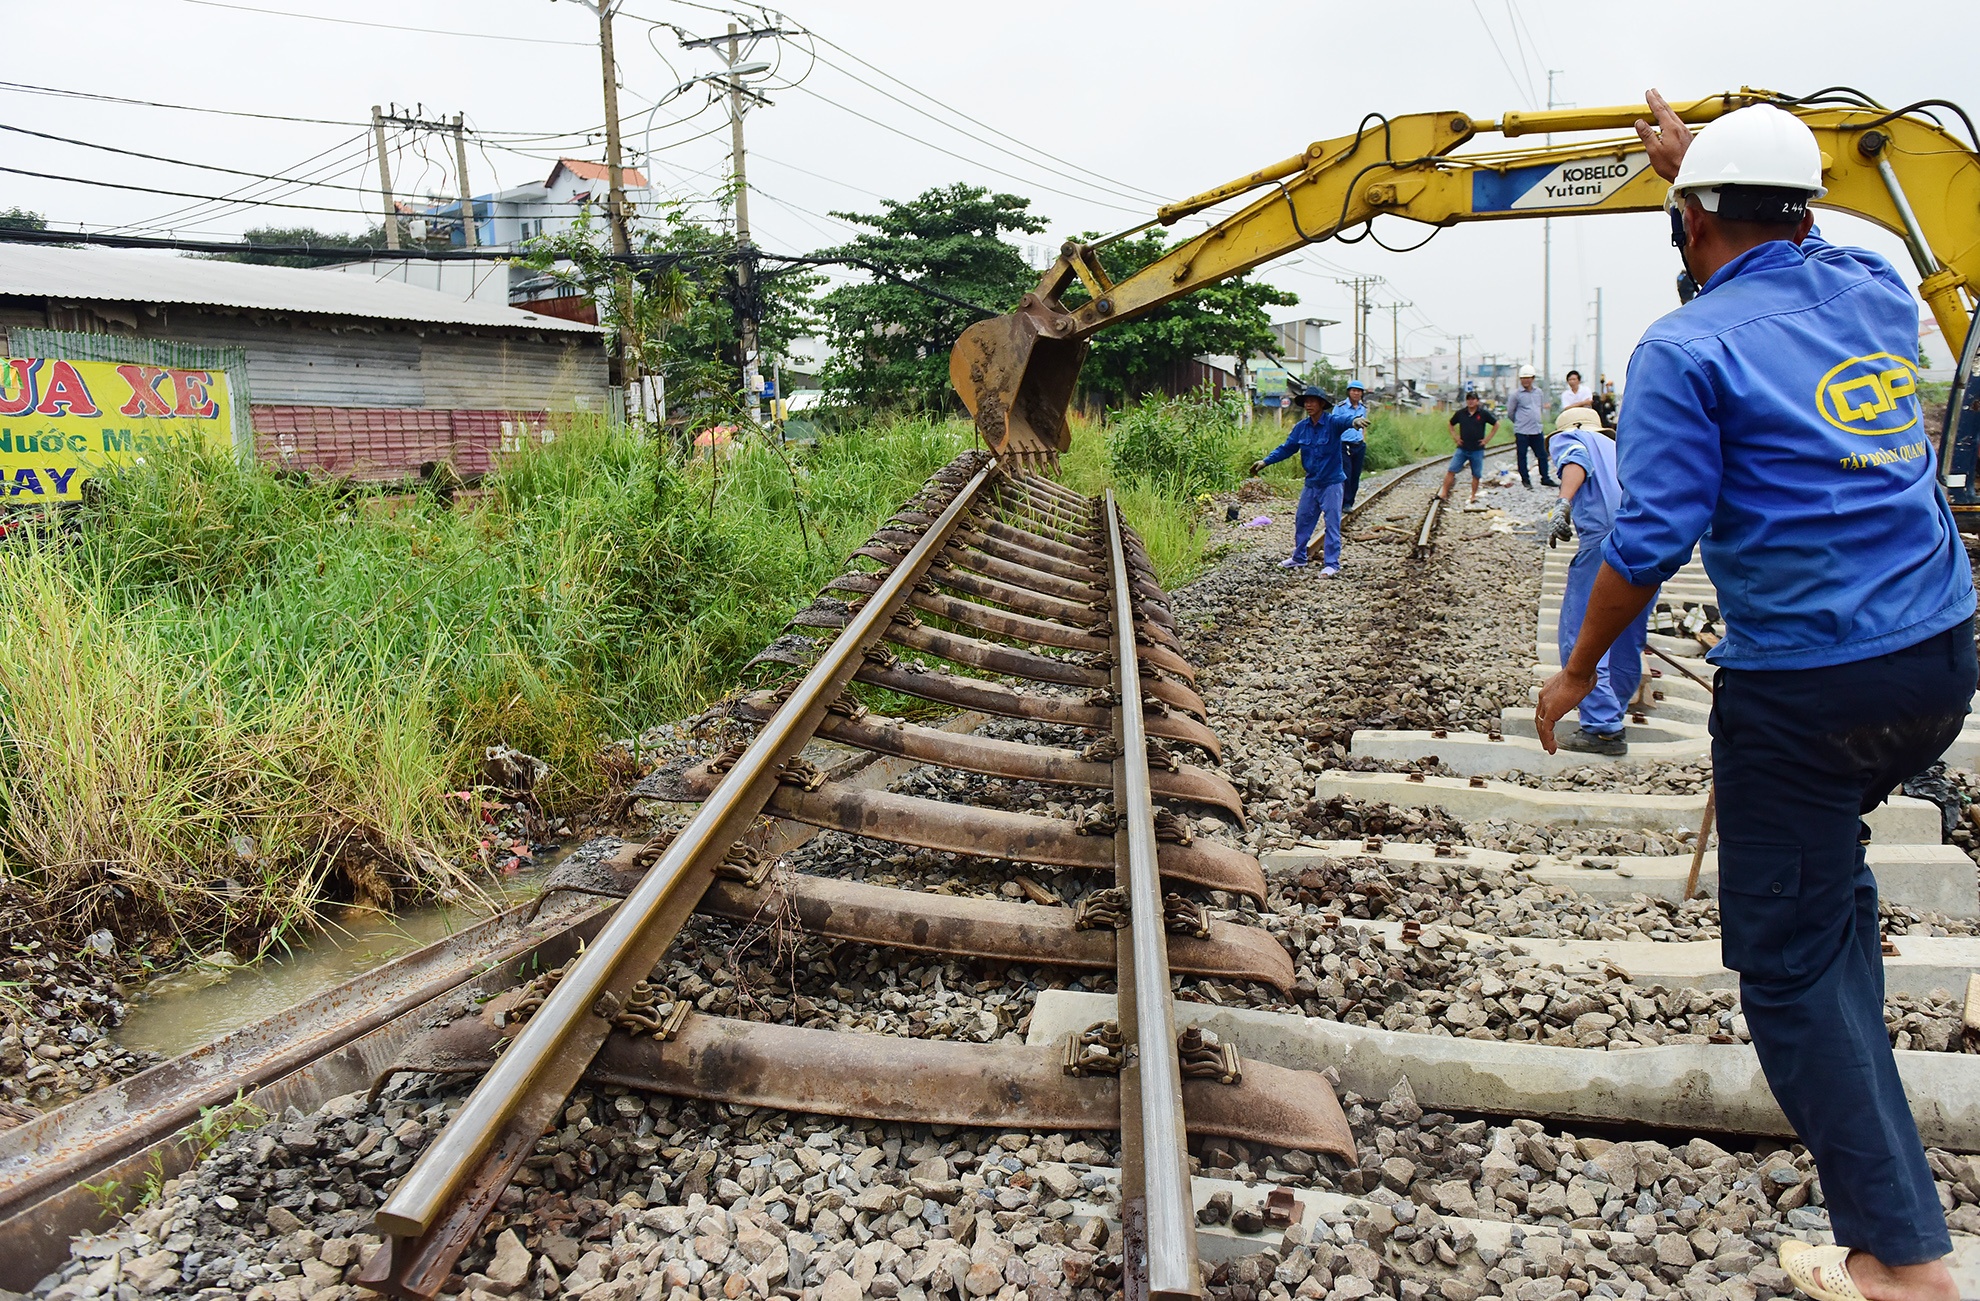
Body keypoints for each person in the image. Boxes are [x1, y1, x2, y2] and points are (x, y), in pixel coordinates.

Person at [1534, 92, 1974, 1301]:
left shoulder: (1683, 348)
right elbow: (1797, 237)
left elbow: (1649, 535)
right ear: (1802, 208)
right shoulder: (1876, 283)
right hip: (1938, 659)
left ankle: (1904, 1259)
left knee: (1783, 966)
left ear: (1688, 224)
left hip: (1808, 695)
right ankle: (1891, 1190)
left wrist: (1577, 670)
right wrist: (1704, 168)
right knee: (1828, 894)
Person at [1542, 406, 1648, 755]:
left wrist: (1563, 502)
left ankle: (1602, 728)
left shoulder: (1573, 438)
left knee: (1582, 633)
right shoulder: (1618, 447)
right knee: (1625, 634)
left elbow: (1576, 461)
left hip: (1603, 542)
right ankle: (1612, 714)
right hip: (1642, 538)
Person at [1250, 385, 1348, 575]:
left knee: (1332, 522)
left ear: (1321, 403)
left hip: (1331, 483)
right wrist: (1266, 461)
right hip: (1311, 483)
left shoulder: (1332, 423)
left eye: (1312, 401)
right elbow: (1287, 448)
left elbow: (1346, 421)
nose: (1309, 405)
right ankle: (1299, 557)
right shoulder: (1301, 428)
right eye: (1306, 402)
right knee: (1302, 519)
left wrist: (1356, 421)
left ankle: (1331, 563)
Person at [1439, 389, 1497, 506]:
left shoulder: (1483, 414)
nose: (1471, 402)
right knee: (1451, 470)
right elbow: (1451, 424)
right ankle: (1443, 493)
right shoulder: (1461, 413)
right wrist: (1456, 437)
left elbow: (1496, 424)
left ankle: (1473, 495)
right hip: (1462, 448)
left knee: (1476, 474)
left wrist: (1487, 440)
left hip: (1477, 449)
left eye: (1473, 399)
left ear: (1477, 401)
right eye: (1468, 399)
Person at [1505, 365, 1556, 490]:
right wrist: (1519, 422)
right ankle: (1526, 480)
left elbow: (1538, 408)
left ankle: (1545, 478)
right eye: (1523, 378)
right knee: (1522, 456)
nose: (1526, 381)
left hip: (1536, 429)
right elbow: (1510, 412)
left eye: (1528, 378)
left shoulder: (1538, 392)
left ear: (1533, 378)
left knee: (1542, 455)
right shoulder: (1516, 394)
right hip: (1522, 430)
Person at [1336, 379, 1371, 509]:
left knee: (1356, 475)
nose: (1356, 393)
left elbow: (1364, 427)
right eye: (1353, 391)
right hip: (1344, 445)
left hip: (1359, 445)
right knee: (1346, 474)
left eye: (1359, 391)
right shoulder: (1340, 407)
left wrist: (1364, 440)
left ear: (1362, 393)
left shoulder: (1363, 408)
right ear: (1349, 392)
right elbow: (1335, 424)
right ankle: (1344, 502)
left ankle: (1350, 502)